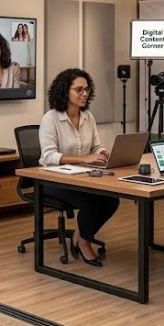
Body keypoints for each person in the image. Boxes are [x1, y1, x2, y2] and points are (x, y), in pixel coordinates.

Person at [38, 68, 120, 266]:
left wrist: (103, 152)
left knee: (111, 200)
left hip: (81, 176)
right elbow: (49, 156)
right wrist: (85, 158)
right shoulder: (50, 119)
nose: (85, 94)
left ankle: (81, 234)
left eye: (87, 90)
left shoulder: (88, 117)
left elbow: (96, 146)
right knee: (91, 203)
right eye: (79, 90)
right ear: (65, 91)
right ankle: (84, 242)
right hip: (51, 180)